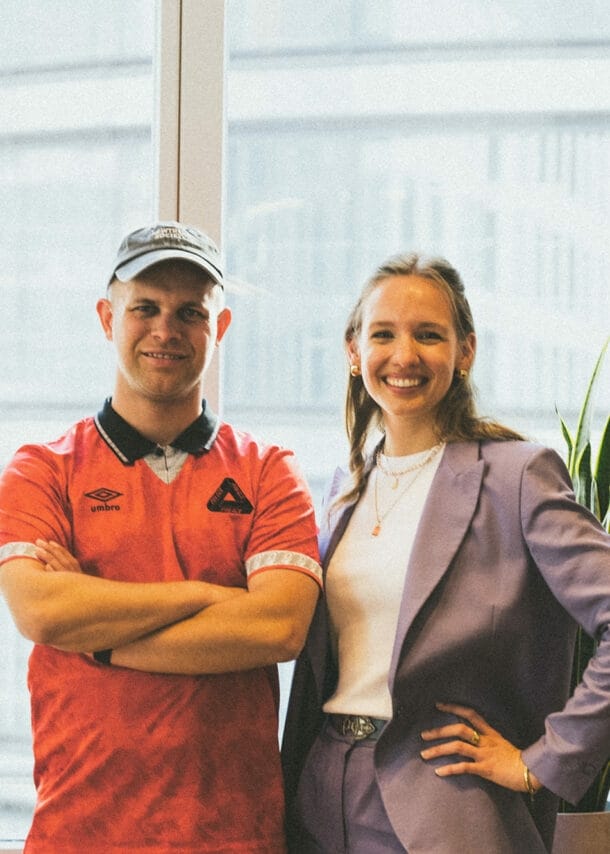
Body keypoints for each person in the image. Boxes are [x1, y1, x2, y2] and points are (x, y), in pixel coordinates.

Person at [0, 221, 322, 854]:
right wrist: (210, 595)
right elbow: (43, 611)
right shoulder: (42, 469)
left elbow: (279, 628)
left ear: (219, 327)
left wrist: (99, 637)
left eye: (189, 313)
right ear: (107, 318)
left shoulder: (268, 471)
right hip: (80, 834)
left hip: (233, 836)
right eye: (144, 308)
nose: (165, 330)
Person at [281, 252, 610, 854]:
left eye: (429, 335)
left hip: (445, 805)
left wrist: (542, 761)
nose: (404, 355)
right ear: (354, 351)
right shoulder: (343, 489)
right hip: (322, 796)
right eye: (383, 334)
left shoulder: (516, 476)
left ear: (465, 352)